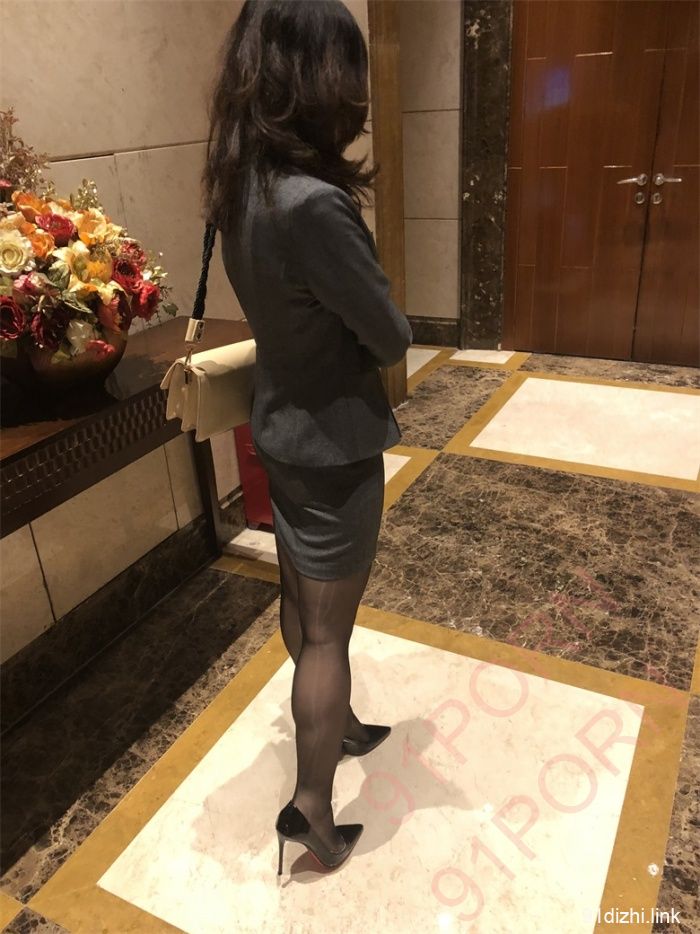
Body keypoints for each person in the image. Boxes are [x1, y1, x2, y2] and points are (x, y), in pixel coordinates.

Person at [202, 0, 413, 874]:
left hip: (281, 425)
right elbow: (391, 336)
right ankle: (314, 809)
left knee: (302, 595)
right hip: (333, 440)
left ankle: (342, 726)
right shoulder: (314, 204)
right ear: (320, 80)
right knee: (328, 633)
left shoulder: (239, 187)